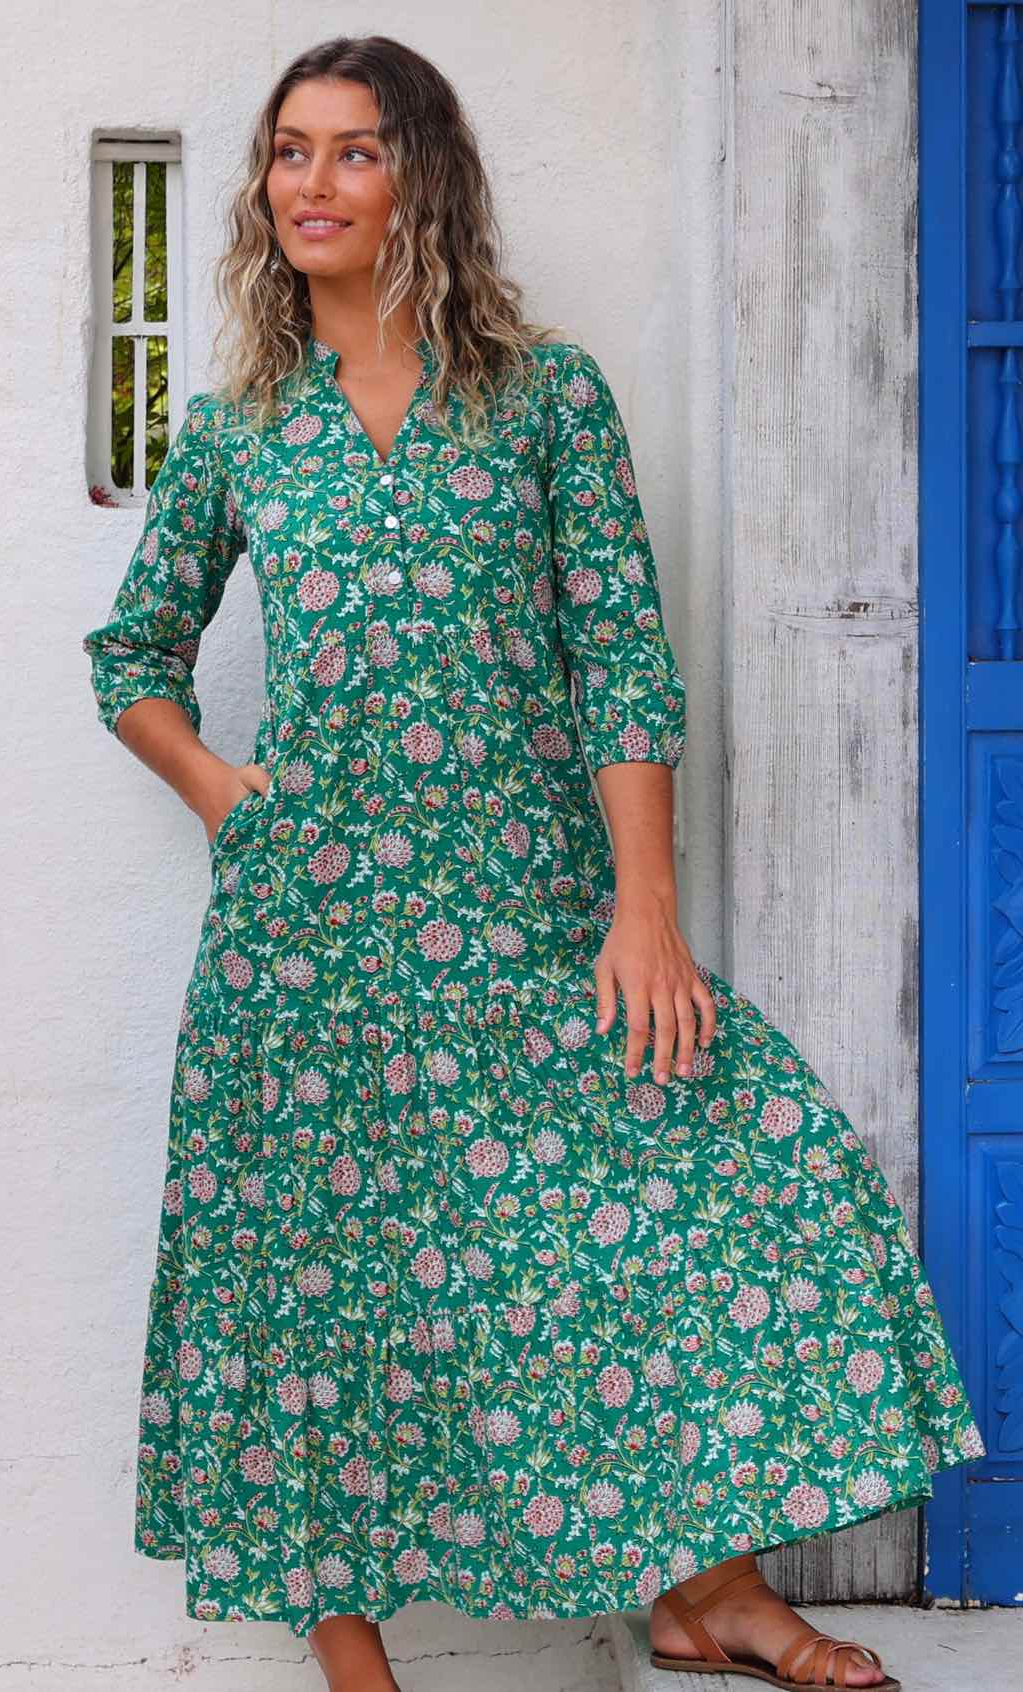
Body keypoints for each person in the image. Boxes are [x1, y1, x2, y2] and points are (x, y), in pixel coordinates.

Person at [81, 33, 984, 1692]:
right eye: (291, 152)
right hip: (312, 939)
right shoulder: (242, 429)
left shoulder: (543, 396)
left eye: (355, 152)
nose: (313, 184)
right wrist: (227, 795)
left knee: (695, 1193)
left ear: (423, 177)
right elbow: (131, 655)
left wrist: (645, 914)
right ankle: (358, 1661)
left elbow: (623, 662)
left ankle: (705, 1590)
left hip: (525, 908)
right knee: (313, 1289)